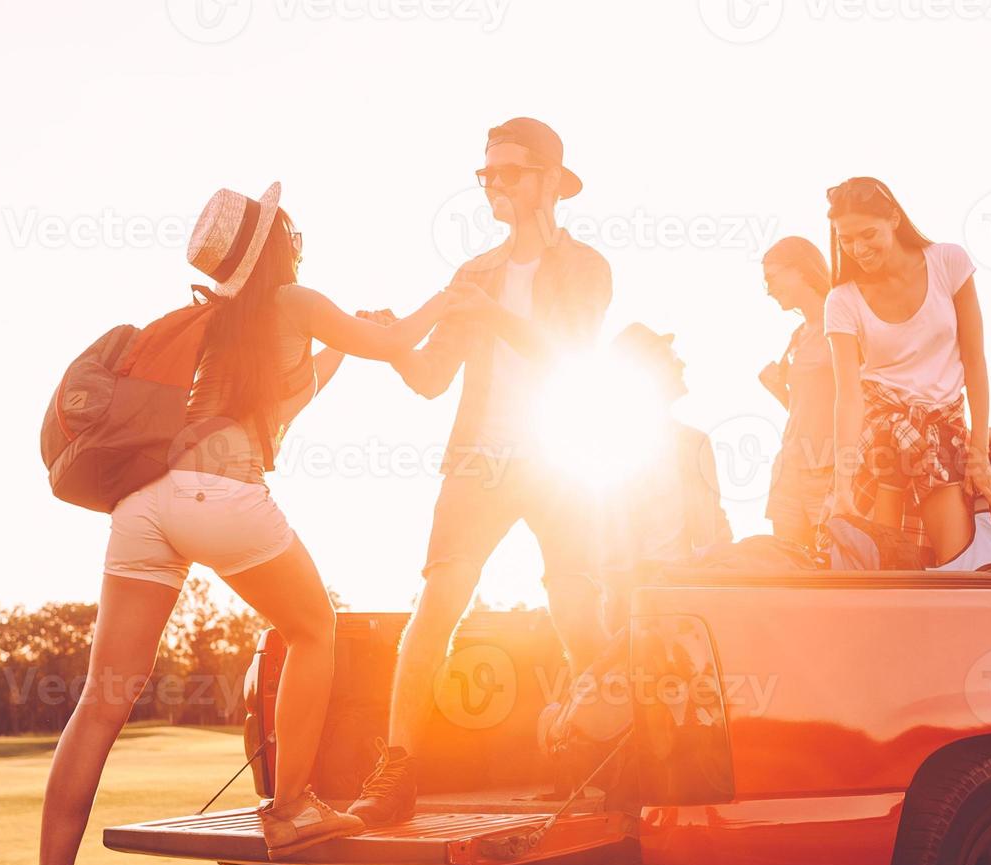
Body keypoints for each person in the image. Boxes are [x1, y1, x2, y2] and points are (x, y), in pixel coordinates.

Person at [8, 182, 451, 865]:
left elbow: (284, 405)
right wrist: (442, 302)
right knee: (314, 632)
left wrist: (345, 344)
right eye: (293, 230)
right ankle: (290, 809)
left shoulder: (216, 326)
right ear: (277, 242)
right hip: (221, 495)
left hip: (143, 507)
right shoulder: (294, 296)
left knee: (102, 697)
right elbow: (399, 348)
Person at [346, 118, 613, 828]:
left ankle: (613, 753)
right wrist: (390, 341)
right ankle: (397, 770)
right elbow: (432, 378)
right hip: (477, 460)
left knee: (578, 612)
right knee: (436, 606)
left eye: (508, 172)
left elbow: (568, 358)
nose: (492, 183)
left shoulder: (585, 267)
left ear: (550, 180)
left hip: (560, 457)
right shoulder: (473, 274)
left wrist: (491, 313)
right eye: (484, 173)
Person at [822, 176, 991, 567]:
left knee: (959, 574)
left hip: (943, 437)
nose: (858, 248)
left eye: (867, 234)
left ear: (893, 219)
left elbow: (975, 362)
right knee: (885, 578)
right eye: (846, 240)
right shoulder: (842, 300)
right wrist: (841, 487)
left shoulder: (948, 262)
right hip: (882, 440)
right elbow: (848, 398)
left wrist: (979, 453)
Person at [601, 323, 732, 631]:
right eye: (670, 357)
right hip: (630, 590)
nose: (681, 363)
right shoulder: (612, 447)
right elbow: (600, 531)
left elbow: (716, 522)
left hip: (687, 587)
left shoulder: (695, 442)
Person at [759, 237, 836, 550]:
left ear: (800, 270)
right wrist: (778, 390)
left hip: (828, 468)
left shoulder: (842, 327)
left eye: (772, 278)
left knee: (832, 567)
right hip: (790, 465)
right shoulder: (797, 335)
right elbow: (806, 406)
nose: (769, 289)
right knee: (787, 568)